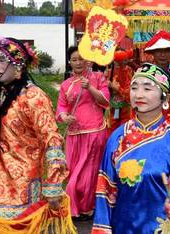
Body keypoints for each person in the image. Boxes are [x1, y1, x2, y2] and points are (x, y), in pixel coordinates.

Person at [0, 37, 72, 232]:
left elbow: (51, 139)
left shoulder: (34, 97)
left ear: (18, 65)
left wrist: (53, 184)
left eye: (2, 60)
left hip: (23, 187)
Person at [92, 63, 170, 233]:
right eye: (134, 88)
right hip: (124, 227)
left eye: (147, 89)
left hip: (165, 227)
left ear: (165, 97)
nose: (138, 94)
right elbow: (105, 189)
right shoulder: (118, 137)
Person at [56, 46, 110, 220]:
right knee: (73, 171)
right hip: (74, 133)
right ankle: (76, 206)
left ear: (88, 60)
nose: (78, 62)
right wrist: (65, 117)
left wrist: (91, 88)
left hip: (95, 130)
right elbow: (61, 107)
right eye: (74, 59)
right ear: (70, 63)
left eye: (81, 58)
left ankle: (88, 206)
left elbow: (105, 100)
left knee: (88, 172)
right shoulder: (65, 85)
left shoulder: (98, 77)